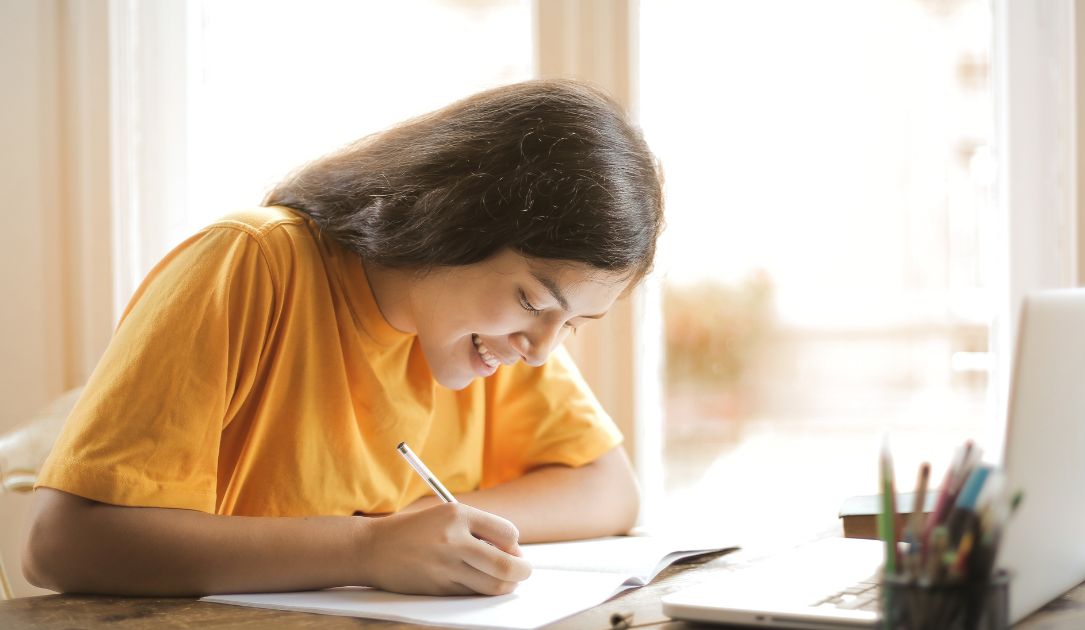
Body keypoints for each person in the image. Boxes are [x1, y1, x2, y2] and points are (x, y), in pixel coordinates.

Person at [22, 79, 664, 598]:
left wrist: (432, 527)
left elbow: (609, 488)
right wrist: (368, 549)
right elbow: (61, 545)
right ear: (451, 220)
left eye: (572, 324)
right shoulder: (252, 264)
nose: (543, 349)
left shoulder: (496, 337)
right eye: (532, 301)